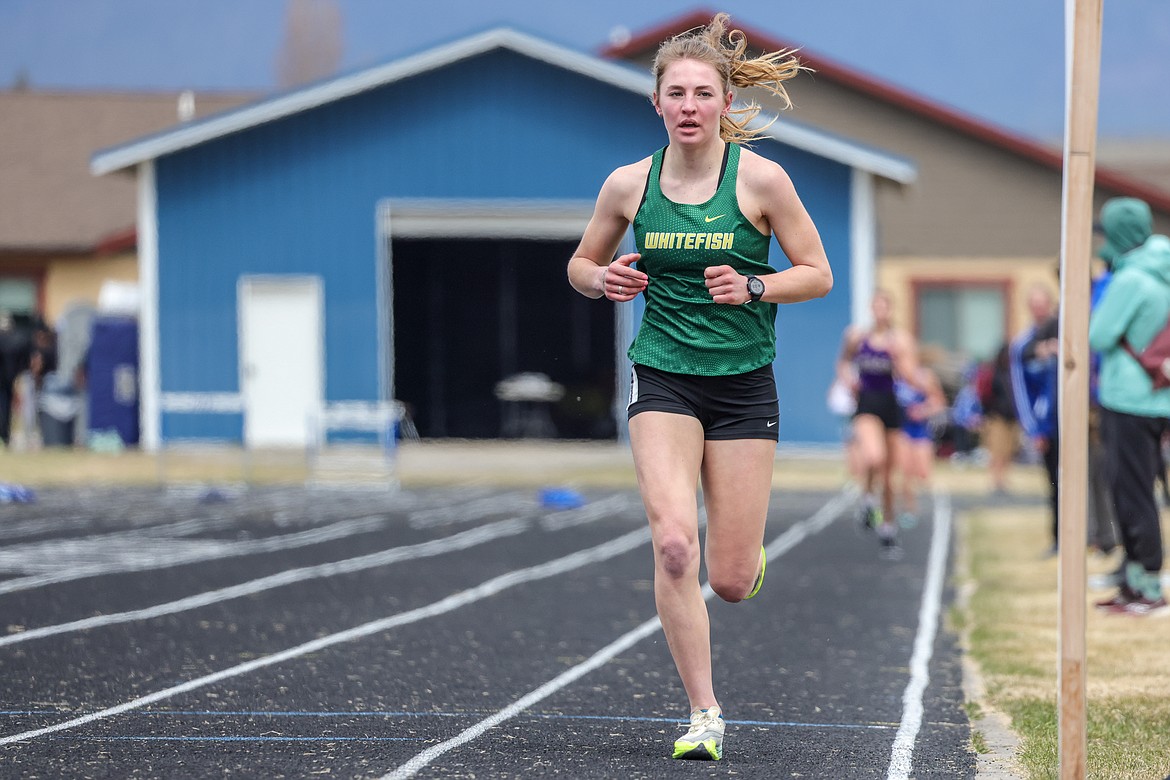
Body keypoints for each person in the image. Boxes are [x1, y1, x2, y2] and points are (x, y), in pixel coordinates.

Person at [566, 14, 832, 761]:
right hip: (663, 377)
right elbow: (580, 264)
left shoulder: (761, 180)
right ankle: (704, 713)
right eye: (675, 93)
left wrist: (754, 285)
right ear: (657, 103)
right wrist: (604, 277)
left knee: (734, 579)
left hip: (744, 386)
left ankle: (745, 560)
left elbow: (816, 273)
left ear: (721, 103)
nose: (689, 105)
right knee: (675, 545)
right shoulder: (628, 185)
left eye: (702, 93)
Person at [1089, 196, 1170, 615]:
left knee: (1131, 491)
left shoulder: (1131, 279)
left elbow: (1099, 336)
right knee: (1145, 489)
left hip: (1127, 397)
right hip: (1160, 396)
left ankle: (1146, 586)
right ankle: (1139, 581)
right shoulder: (1164, 269)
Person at [836, 290, 927, 553]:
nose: (880, 312)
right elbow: (843, 363)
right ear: (871, 309)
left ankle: (888, 527)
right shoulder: (857, 336)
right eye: (875, 306)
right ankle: (866, 498)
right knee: (874, 457)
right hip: (866, 404)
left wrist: (899, 359)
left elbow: (911, 377)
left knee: (889, 476)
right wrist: (847, 380)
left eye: (884, 307)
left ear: (891, 310)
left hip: (891, 405)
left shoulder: (900, 340)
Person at [1009, 284, 1059, 554]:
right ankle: (1058, 538)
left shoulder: (1065, 336)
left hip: (1072, 422)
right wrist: (1033, 429)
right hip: (1045, 425)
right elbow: (1019, 390)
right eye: (1034, 304)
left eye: (1043, 303)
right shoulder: (1022, 345)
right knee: (1054, 483)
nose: (1039, 309)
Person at [895, 361, 945, 528]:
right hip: (903, 431)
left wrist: (923, 410)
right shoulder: (896, 379)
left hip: (921, 431)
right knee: (906, 472)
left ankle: (932, 513)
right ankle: (909, 509)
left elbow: (938, 401)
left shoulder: (924, 376)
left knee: (924, 474)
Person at [978, 342, 1019, 496]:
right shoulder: (993, 373)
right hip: (997, 417)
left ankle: (1003, 478)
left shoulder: (1012, 373)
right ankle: (994, 478)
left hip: (1011, 417)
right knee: (996, 450)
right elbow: (985, 395)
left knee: (1008, 450)